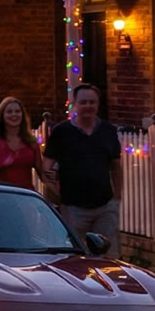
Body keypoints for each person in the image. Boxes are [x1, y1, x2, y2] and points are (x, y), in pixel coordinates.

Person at [41, 84, 122, 243]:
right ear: (74, 104)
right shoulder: (61, 132)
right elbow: (46, 168)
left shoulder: (108, 131)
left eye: (92, 102)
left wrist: (116, 197)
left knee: (105, 257)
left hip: (104, 206)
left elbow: (116, 167)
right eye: (83, 102)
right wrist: (57, 195)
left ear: (98, 104)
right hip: (73, 207)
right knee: (75, 255)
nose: (88, 106)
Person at [0, 97, 37, 189]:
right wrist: (2, 163)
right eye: (9, 112)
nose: (14, 114)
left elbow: (42, 171)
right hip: (2, 193)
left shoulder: (30, 141)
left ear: (22, 115)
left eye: (18, 111)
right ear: (2, 115)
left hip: (25, 194)